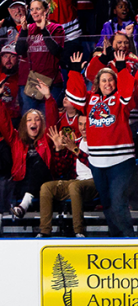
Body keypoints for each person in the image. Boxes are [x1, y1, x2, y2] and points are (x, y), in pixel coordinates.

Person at [66, 51, 138, 237]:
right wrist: (75, 71)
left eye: (111, 80)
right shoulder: (91, 99)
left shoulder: (121, 99)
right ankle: (115, 239)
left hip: (121, 161)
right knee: (106, 202)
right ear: (98, 84)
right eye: (103, 80)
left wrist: (121, 68)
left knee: (118, 200)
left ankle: (130, 239)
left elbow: (128, 92)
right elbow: (77, 96)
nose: (107, 84)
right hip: (97, 162)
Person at [0, 79, 57, 219]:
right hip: (21, 182)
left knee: (39, 165)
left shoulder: (46, 138)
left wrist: (49, 98)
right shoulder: (16, 139)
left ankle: (23, 206)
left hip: (45, 182)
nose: (33, 122)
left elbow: (53, 120)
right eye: (29, 120)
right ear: (24, 125)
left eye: (37, 119)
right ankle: (16, 208)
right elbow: (4, 121)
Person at [38, 116, 98, 238]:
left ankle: (78, 231)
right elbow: (62, 170)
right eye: (80, 124)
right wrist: (59, 150)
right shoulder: (74, 143)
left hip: (95, 182)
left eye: (86, 124)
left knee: (74, 186)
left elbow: (96, 166)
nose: (83, 128)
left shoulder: (99, 142)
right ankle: (44, 231)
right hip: (75, 181)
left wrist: (76, 150)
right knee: (47, 187)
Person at [15, 0, 65, 113]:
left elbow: (56, 51)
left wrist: (44, 30)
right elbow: (20, 51)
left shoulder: (56, 28)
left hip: (51, 83)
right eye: (32, 9)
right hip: (29, 82)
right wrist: (23, 31)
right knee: (30, 121)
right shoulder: (27, 29)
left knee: (48, 119)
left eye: (38, 8)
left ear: (46, 10)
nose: (34, 12)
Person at [0, 44, 20, 128]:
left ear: (18, 58)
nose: (8, 60)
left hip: (16, 119)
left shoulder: (22, 77)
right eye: (5, 56)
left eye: (12, 56)